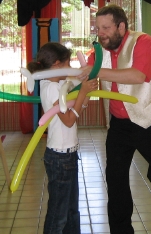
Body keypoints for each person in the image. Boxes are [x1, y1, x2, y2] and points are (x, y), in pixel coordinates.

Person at [78, 4, 151, 234]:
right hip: (119, 123)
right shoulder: (100, 49)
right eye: (98, 28)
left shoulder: (144, 42)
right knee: (115, 179)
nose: (100, 33)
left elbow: (138, 75)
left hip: (150, 117)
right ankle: (121, 230)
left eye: (106, 28)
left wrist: (95, 71)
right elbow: (85, 70)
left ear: (121, 26)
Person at [27, 42, 98, 234]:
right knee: (58, 215)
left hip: (68, 155)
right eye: (68, 64)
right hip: (60, 158)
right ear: (57, 64)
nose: (70, 69)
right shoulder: (50, 87)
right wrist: (83, 92)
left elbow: (75, 111)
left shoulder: (57, 83)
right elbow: (68, 120)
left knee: (72, 211)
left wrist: (85, 94)